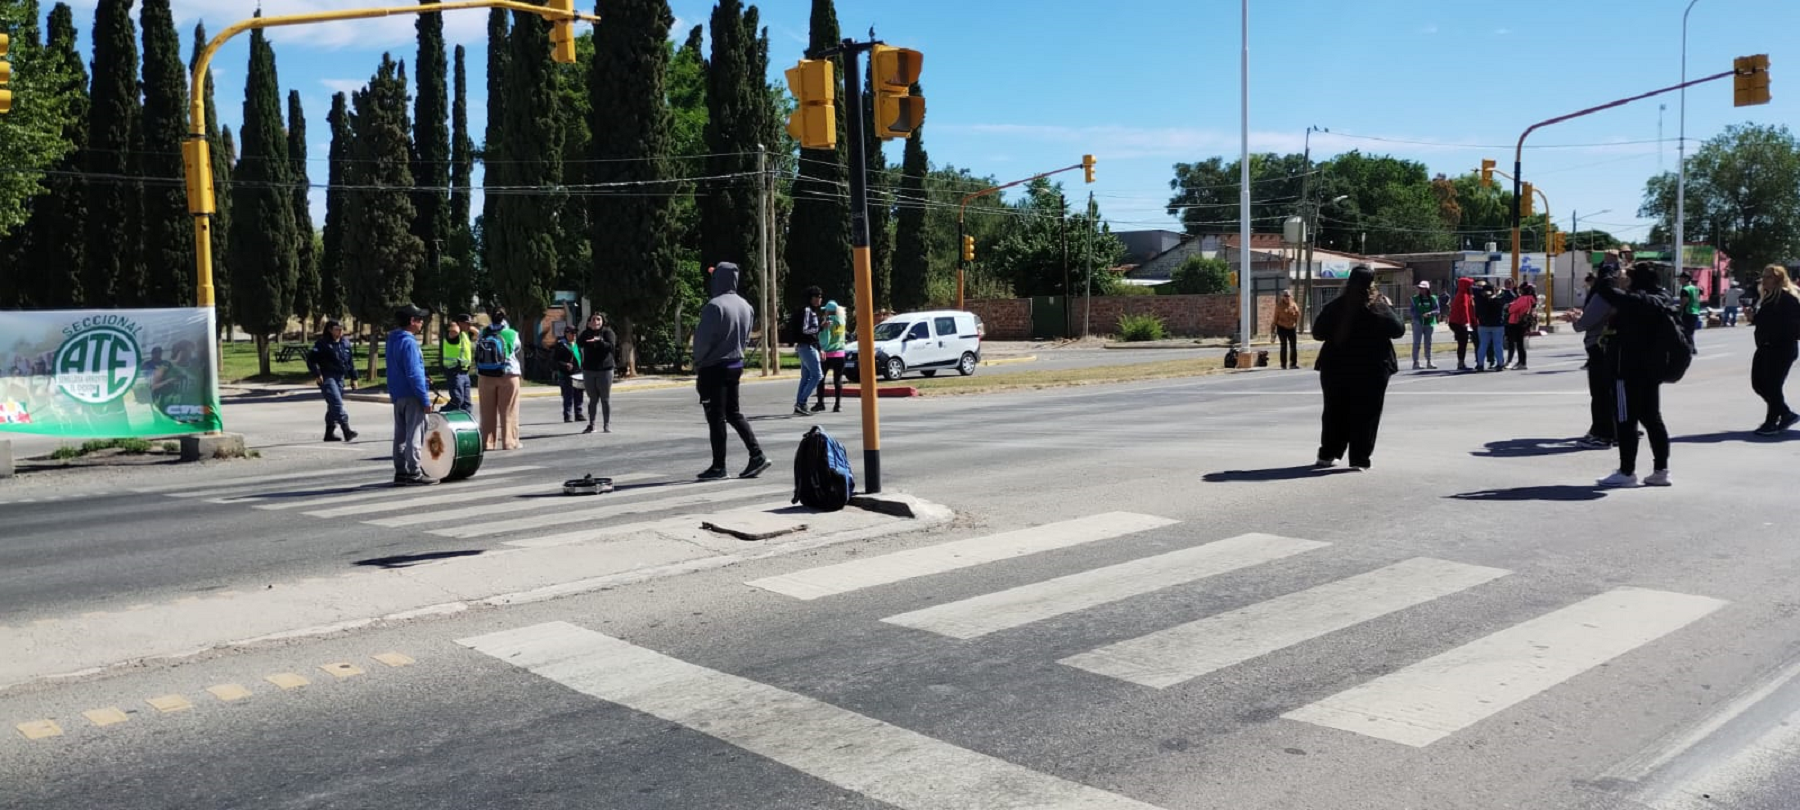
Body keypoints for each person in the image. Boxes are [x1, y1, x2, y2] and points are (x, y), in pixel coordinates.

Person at [1310, 266, 1405, 470]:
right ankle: (1359, 459)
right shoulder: (1378, 306)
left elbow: (1317, 332)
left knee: (1334, 411)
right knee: (1367, 413)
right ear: (1372, 284)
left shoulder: (1335, 306)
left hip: (1336, 367)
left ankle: (1328, 454)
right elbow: (1398, 330)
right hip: (1372, 367)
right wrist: (1389, 308)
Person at [1593, 262, 1676, 488]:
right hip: (1651, 370)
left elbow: (1606, 291)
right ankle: (1661, 470)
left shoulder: (1635, 301)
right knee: (1652, 419)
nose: (1624, 282)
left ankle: (1626, 472)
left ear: (1635, 280)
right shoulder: (1661, 299)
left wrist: (1609, 272)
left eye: (1627, 278)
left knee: (1625, 421)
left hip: (1626, 371)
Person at [693, 262, 770, 480]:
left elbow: (703, 341)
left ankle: (719, 467)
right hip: (735, 364)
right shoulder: (746, 306)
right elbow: (746, 337)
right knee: (733, 413)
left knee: (715, 417)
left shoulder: (714, 306)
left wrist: (697, 361)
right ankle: (757, 454)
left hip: (714, 367)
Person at [386, 305, 436, 486]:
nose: (422, 322)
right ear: (412, 321)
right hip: (412, 395)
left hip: (398, 394)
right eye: (420, 319)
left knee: (400, 435)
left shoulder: (393, 339)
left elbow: (398, 368)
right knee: (415, 434)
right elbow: (413, 373)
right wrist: (425, 398)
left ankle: (400, 472)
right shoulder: (409, 342)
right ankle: (414, 473)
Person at [1572, 264, 1619, 448]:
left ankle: (1603, 434)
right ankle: (1613, 431)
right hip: (1615, 346)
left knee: (1600, 393)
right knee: (1613, 392)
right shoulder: (1623, 294)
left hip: (1600, 345)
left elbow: (1585, 322)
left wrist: (1575, 320)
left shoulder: (1604, 295)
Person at [1751, 264, 1800, 435]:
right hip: (1765, 346)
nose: (1764, 280)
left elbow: (1792, 324)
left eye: (1768, 277)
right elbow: (1766, 321)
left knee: (1772, 385)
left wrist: (1779, 335)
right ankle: (1785, 413)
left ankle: (1771, 422)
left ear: (1779, 280)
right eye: (1763, 276)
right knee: (1758, 383)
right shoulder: (1768, 297)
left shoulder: (1787, 298)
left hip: (1782, 348)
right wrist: (1753, 318)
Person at [476, 309, 524, 451]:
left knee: (486, 411)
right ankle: (510, 442)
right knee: (509, 411)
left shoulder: (483, 332)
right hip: (508, 374)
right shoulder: (512, 333)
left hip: (485, 375)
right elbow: (516, 349)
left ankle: (488, 443)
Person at [305, 321, 360, 442]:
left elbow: (350, 362)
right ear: (330, 329)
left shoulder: (345, 343)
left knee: (333, 406)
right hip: (327, 377)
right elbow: (311, 360)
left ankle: (329, 433)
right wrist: (317, 374)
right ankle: (346, 430)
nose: (340, 331)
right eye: (337, 329)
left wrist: (354, 377)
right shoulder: (322, 344)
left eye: (341, 329)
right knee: (336, 403)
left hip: (340, 377)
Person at [578, 312, 617, 434]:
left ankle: (607, 425)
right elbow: (578, 344)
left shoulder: (608, 332)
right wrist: (587, 333)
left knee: (605, 398)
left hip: (605, 370)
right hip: (589, 370)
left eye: (598, 319)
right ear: (589, 322)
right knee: (592, 399)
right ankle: (592, 424)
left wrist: (599, 341)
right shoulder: (586, 333)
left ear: (602, 321)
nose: (595, 321)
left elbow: (611, 347)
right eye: (593, 319)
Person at [792, 286, 824, 416]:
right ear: (811, 298)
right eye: (816, 297)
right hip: (806, 346)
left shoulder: (812, 311)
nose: (819, 299)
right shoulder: (807, 310)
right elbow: (805, 329)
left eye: (820, 297)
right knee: (817, 375)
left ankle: (800, 405)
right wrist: (820, 327)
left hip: (808, 346)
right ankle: (801, 402)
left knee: (806, 377)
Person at [815, 300, 849, 411]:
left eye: (825, 311)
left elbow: (825, 336)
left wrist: (821, 346)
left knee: (821, 379)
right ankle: (837, 405)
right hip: (840, 354)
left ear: (829, 311)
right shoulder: (842, 321)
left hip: (828, 354)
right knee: (837, 380)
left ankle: (820, 403)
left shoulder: (829, 320)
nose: (824, 312)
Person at [441, 314, 475, 413]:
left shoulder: (464, 335)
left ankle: (466, 421)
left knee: (467, 403)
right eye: (467, 324)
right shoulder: (452, 335)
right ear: (459, 323)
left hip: (464, 373)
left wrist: (468, 327)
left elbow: (477, 333)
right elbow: (455, 330)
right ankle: (441, 413)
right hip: (454, 372)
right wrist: (455, 324)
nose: (469, 326)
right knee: (457, 400)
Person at [552, 325, 585, 423]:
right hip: (567, 374)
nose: (574, 335)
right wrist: (565, 364)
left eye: (575, 333)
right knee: (568, 395)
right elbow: (555, 360)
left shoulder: (577, 344)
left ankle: (578, 414)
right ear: (566, 333)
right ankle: (568, 415)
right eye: (572, 333)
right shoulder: (561, 345)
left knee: (579, 394)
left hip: (578, 373)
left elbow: (580, 357)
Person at [1505, 282, 1539, 370]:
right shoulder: (1532, 299)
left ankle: (1522, 362)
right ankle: (1521, 361)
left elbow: (1511, 309)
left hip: (1517, 321)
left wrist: (1510, 306)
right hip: (1524, 322)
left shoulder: (1523, 298)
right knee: (1520, 343)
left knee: (1519, 343)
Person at [1473, 281, 1507, 371]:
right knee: (1498, 345)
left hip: (1483, 325)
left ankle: (1480, 365)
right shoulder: (1498, 299)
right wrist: (1498, 292)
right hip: (1497, 325)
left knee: (1483, 345)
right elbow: (1506, 296)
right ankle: (1500, 364)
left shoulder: (1479, 300)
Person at [1446, 277, 1476, 371]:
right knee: (1462, 342)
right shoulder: (1463, 295)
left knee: (1463, 342)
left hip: (1457, 322)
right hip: (1459, 322)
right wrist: (1467, 323)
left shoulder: (1464, 294)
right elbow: (1464, 310)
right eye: (1470, 285)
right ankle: (1461, 363)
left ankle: (1461, 362)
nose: (1472, 287)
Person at [1409, 281, 1439, 371]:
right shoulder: (1415, 299)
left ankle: (1429, 361)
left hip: (1429, 323)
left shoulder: (1433, 298)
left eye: (1423, 288)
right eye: (1420, 288)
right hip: (1418, 322)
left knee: (1428, 343)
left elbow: (1437, 310)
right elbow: (1412, 311)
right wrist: (1420, 315)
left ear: (1427, 289)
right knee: (1416, 343)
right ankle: (1416, 362)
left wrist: (1430, 313)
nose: (1421, 290)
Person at [1272, 290, 1302, 370]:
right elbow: (1275, 318)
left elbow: (1298, 315)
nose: (1287, 298)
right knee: (1283, 345)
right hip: (1282, 328)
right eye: (1285, 296)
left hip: (1291, 328)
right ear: (1283, 297)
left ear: (1290, 296)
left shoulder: (1293, 304)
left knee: (1293, 346)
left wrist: (1295, 322)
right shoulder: (1279, 306)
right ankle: (1283, 364)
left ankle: (1293, 364)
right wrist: (1273, 330)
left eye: (1288, 296)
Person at [1679, 272, 1703, 353]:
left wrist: (1679, 309)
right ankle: (1692, 347)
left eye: (1681, 278)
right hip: (1695, 312)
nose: (1679, 280)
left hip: (1688, 312)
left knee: (1686, 331)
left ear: (1686, 279)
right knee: (1691, 331)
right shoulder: (1696, 288)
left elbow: (1685, 300)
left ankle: (1691, 348)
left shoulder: (1685, 289)